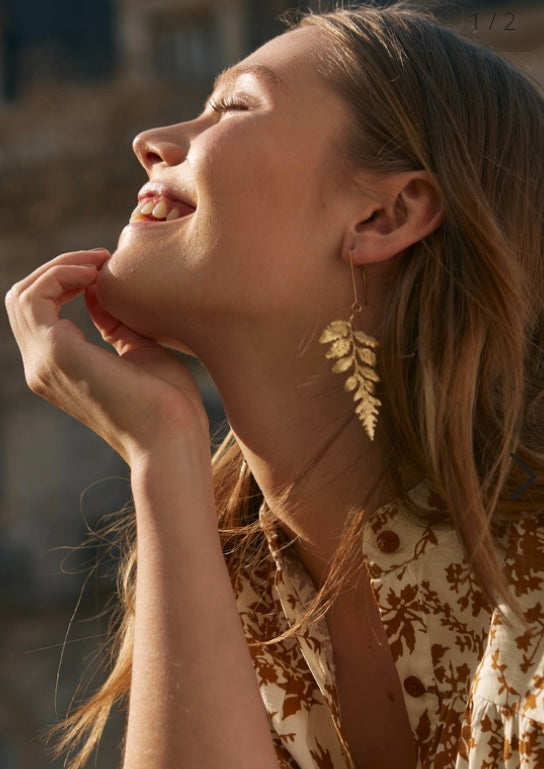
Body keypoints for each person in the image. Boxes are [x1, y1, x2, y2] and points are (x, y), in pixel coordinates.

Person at [5, 2, 544, 768]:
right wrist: (163, 453)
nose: (149, 141)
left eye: (233, 105)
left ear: (385, 214)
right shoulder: (236, 588)